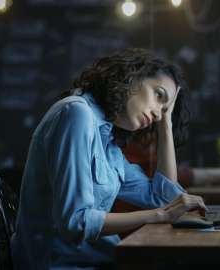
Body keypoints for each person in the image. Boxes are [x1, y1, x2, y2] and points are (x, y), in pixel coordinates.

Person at [11, 48, 207, 270]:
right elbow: (76, 222)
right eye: (158, 95)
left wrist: (166, 124)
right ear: (132, 77)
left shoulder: (108, 140)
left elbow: (161, 197)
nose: (157, 114)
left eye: (164, 109)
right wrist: (161, 216)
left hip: (97, 262)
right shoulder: (76, 113)